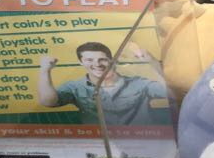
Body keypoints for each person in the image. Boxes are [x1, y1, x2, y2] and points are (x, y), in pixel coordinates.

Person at [38, 42, 167, 126]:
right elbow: (48, 102)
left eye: (103, 59)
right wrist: (45, 70)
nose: (97, 64)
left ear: (112, 61)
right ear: (81, 62)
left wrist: (152, 61)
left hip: (143, 143)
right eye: (89, 60)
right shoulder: (75, 87)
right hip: (99, 146)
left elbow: (170, 92)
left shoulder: (139, 83)